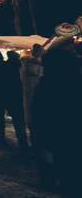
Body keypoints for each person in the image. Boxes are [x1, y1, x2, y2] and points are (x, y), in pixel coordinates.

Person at [31, 48, 81, 195]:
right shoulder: (75, 82)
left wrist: (41, 144)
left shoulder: (46, 86)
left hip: (61, 143)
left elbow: (39, 118)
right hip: (67, 141)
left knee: (69, 180)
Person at [0, 49, 27, 147]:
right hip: (14, 95)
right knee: (18, 118)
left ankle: (1, 135)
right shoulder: (17, 66)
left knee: (0, 117)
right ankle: (22, 140)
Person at [20, 44, 43, 129]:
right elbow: (32, 73)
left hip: (35, 91)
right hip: (32, 91)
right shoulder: (28, 63)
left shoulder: (39, 62)